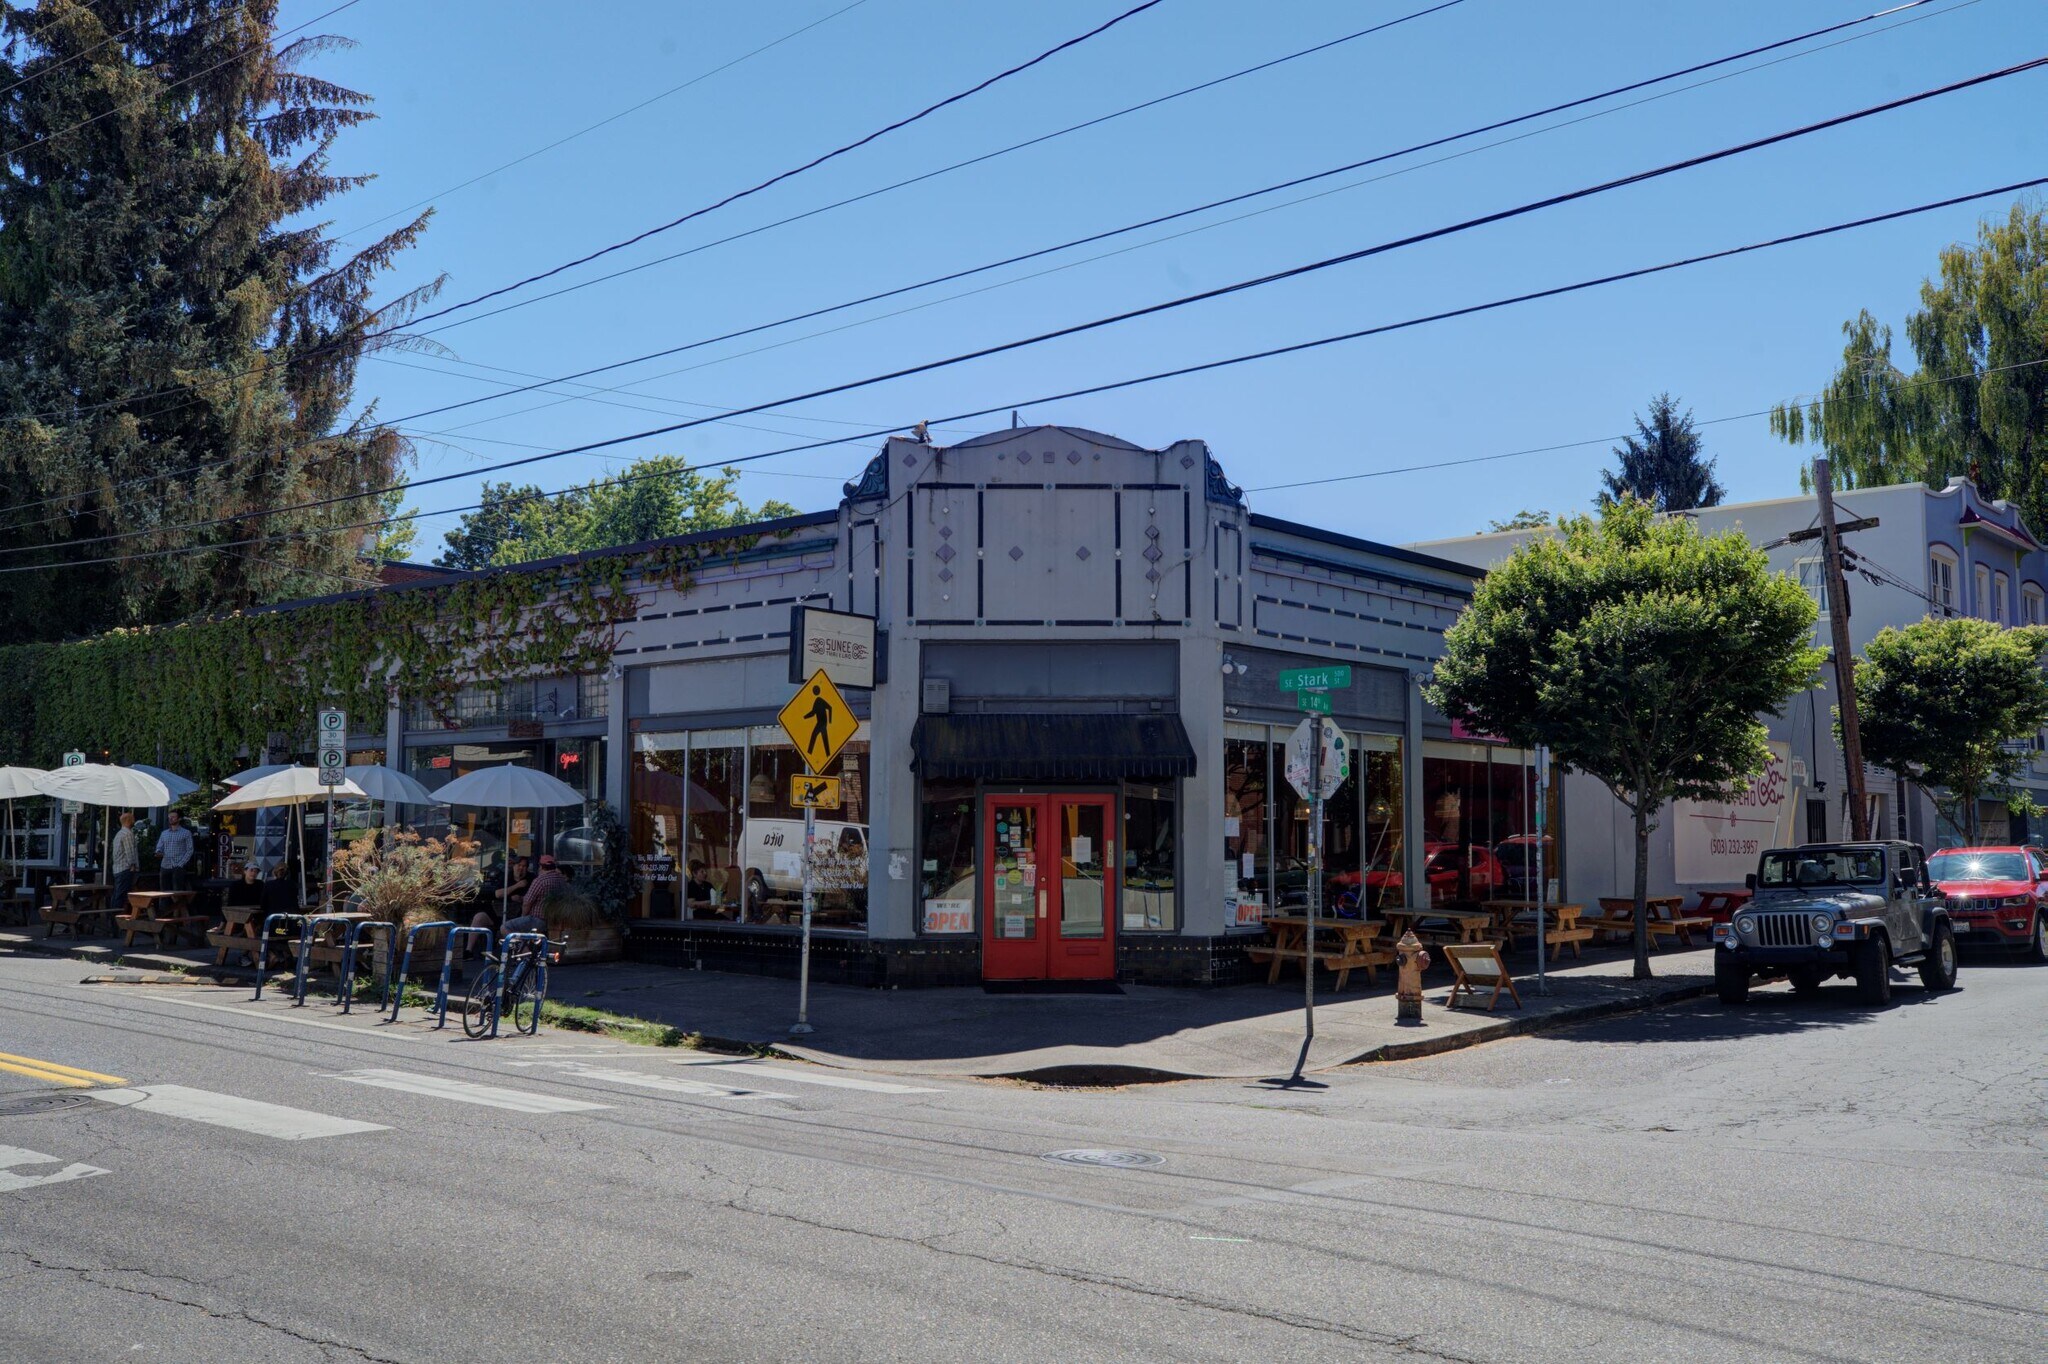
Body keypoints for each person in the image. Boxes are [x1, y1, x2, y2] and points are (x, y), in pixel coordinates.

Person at [155, 810, 194, 892]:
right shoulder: (164, 833)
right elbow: (159, 846)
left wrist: (180, 864)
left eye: (173, 817)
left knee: (177, 892)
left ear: (179, 819)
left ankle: (178, 905)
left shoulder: (186, 833)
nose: (171, 819)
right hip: (165, 865)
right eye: (169, 817)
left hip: (178, 865)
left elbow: (190, 850)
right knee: (163, 892)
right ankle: (164, 905)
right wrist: (158, 852)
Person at [109, 811, 140, 910]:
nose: (134, 821)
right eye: (133, 819)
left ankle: (113, 917)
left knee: (117, 893)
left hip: (118, 868)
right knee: (121, 895)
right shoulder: (127, 834)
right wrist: (133, 865)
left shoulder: (119, 833)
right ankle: (116, 919)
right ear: (129, 821)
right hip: (125, 868)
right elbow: (130, 852)